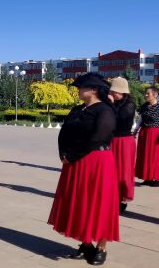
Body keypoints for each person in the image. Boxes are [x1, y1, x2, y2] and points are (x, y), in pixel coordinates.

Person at [48, 73, 118, 266]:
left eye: (81, 87)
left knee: (99, 203)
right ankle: (85, 243)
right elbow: (64, 132)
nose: (78, 90)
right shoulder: (78, 109)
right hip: (76, 162)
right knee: (80, 202)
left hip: (97, 162)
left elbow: (98, 137)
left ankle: (101, 247)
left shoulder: (105, 110)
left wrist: (72, 155)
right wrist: (63, 152)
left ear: (93, 89)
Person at [108, 77, 136, 212]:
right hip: (112, 140)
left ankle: (122, 199)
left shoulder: (129, 104)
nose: (113, 94)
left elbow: (120, 120)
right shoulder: (112, 103)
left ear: (123, 92)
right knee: (110, 171)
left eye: (116, 92)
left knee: (123, 171)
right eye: (112, 91)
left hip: (124, 141)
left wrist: (111, 104)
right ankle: (110, 197)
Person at [135, 86, 159, 187]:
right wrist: (135, 130)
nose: (145, 95)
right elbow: (140, 119)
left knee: (155, 156)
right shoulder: (145, 106)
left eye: (148, 93)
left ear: (155, 95)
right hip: (144, 132)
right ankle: (147, 177)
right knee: (144, 156)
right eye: (145, 93)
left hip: (155, 133)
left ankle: (156, 178)